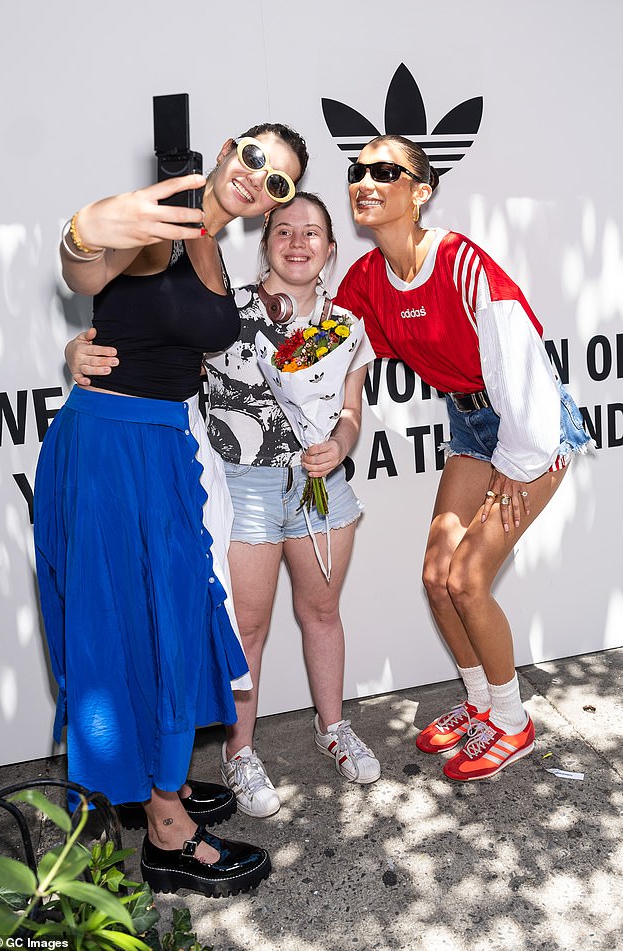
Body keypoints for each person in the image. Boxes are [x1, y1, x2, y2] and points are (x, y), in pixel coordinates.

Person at [35, 124, 308, 896]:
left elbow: (161, 339)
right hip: (113, 449)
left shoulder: (214, 250)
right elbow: (89, 264)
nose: (258, 178)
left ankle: (166, 782)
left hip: (162, 447)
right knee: (135, 628)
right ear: (227, 149)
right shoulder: (161, 222)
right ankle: (165, 832)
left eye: (279, 181)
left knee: (172, 620)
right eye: (254, 157)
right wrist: (85, 231)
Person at [65, 192, 381, 820]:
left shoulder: (348, 324)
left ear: (330, 248)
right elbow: (142, 352)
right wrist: (79, 352)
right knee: (248, 630)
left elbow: (352, 407)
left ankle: (333, 727)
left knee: (322, 612)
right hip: (243, 485)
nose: (297, 242)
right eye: (283, 230)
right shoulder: (222, 311)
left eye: (312, 232)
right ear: (263, 244)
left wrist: (342, 444)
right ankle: (241, 755)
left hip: (322, 490)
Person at [334, 134, 591, 782]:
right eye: (358, 170)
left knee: (468, 578)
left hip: (529, 426)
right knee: (436, 575)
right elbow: (321, 348)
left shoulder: (463, 265)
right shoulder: (366, 278)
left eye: (385, 171)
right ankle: (482, 702)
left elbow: (526, 384)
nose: (366, 180)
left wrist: (513, 462)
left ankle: (513, 722)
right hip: (471, 418)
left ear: (420, 191)